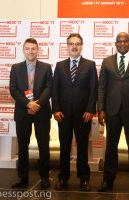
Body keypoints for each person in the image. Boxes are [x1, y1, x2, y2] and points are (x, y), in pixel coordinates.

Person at [97, 32, 129, 195]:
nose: (122, 43)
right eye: (119, 41)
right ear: (115, 43)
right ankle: (108, 179)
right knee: (111, 147)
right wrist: (101, 109)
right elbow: (102, 87)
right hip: (112, 110)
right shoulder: (106, 62)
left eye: (125, 41)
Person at [52, 33, 98, 192]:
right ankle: (63, 178)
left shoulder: (90, 65)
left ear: (81, 45)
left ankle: (84, 179)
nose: (74, 46)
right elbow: (55, 90)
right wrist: (56, 109)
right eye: (71, 43)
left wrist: (91, 110)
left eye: (77, 43)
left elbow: (94, 90)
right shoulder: (59, 65)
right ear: (67, 46)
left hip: (83, 115)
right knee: (64, 148)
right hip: (63, 115)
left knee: (83, 148)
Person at [9, 38, 52, 189]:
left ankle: (45, 177)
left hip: (41, 112)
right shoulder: (16, 68)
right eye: (27, 49)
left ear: (38, 50)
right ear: (23, 50)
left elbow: (49, 88)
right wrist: (28, 103)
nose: (31, 51)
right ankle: (23, 177)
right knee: (22, 146)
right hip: (23, 111)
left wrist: (37, 104)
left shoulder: (46, 67)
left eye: (33, 49)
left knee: (43, 146)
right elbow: (13, 89)